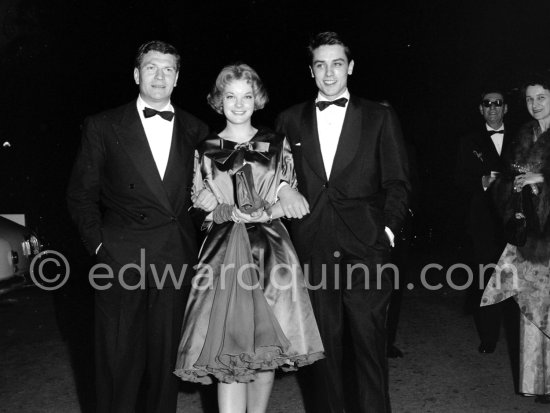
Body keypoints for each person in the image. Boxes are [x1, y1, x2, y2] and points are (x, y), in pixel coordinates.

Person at [66, 40, 209, 413]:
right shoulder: (103, 125)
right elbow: (81, 195)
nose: (159, 76)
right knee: (117, 363)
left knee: (166, 367)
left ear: (177, 77)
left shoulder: (197, 129)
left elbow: (195, 201)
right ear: (136, 74)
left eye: (167, 69)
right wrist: (99, 248)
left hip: (175, 259)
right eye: (151, 67)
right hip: (121, 258)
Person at [174, 63, 324, 413]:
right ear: (218, 100)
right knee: (230, 349)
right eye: (230, 96)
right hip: (224, 255)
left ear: (258, 99)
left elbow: (291, 197)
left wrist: (271, 209)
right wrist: (219, 210)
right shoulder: (206, 149)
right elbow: (197, 210)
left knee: (264, 354)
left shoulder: (276, 143)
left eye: (246, 96)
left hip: (272, 255)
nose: (238, 104)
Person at [275, 31, 410, 413]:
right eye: (320, 65)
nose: (329, 73)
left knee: (370, 348)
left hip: (366, 246)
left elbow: (398, 181)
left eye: (337, 64)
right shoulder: (289, 119)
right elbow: (277, 177)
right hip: (313, 246)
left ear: (350, 67)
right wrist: (284, 188)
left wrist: (386, 230)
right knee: (324, 353)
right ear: (311, 71)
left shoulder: (379, 116)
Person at [482, 74, 550, 404]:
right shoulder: (523, 135)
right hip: (530, 238)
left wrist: (544, 179)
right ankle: (540, 382)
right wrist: (514, 188)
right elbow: (506, 185)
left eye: (541, 98)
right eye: (529, 99)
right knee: (532, 309)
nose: (534, 105)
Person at [455, 88, 515, 354]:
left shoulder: (520, 138)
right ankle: (488, 338)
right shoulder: (469, 141)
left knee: (514, 279)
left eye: (498, 103)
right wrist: (480, 181)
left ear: (505, 108)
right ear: (481, 109)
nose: (493, 108)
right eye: (487, 104)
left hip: (515, 221)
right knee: (486, 278)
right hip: (483, 222)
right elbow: (458, 180)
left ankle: (517, 337)